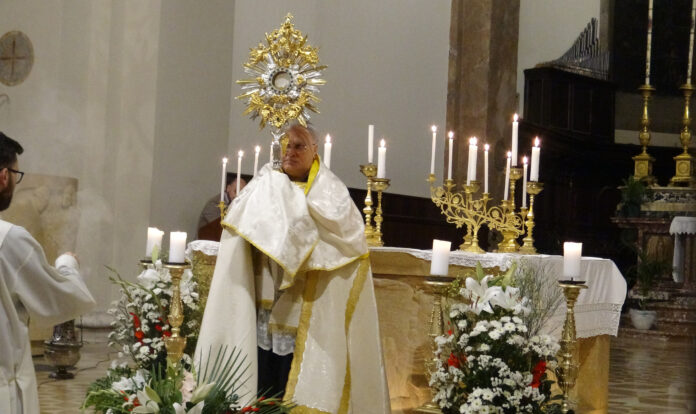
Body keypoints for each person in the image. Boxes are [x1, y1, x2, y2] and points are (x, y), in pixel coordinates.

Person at [196, 123, 390, 413]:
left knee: (293, 381)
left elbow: (347, 240)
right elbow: (240, 231)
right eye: (285, 145)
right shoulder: (263, 185)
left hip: (308, 310)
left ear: (315, 151)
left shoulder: (331, 193)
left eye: (299, 145)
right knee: (263, 380)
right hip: (265, 302)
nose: (290, 151)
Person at [0, 132, 95, 414]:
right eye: (16, 174)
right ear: (3, 175)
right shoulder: (9, 240)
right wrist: (67, 265)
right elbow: (62, 301)